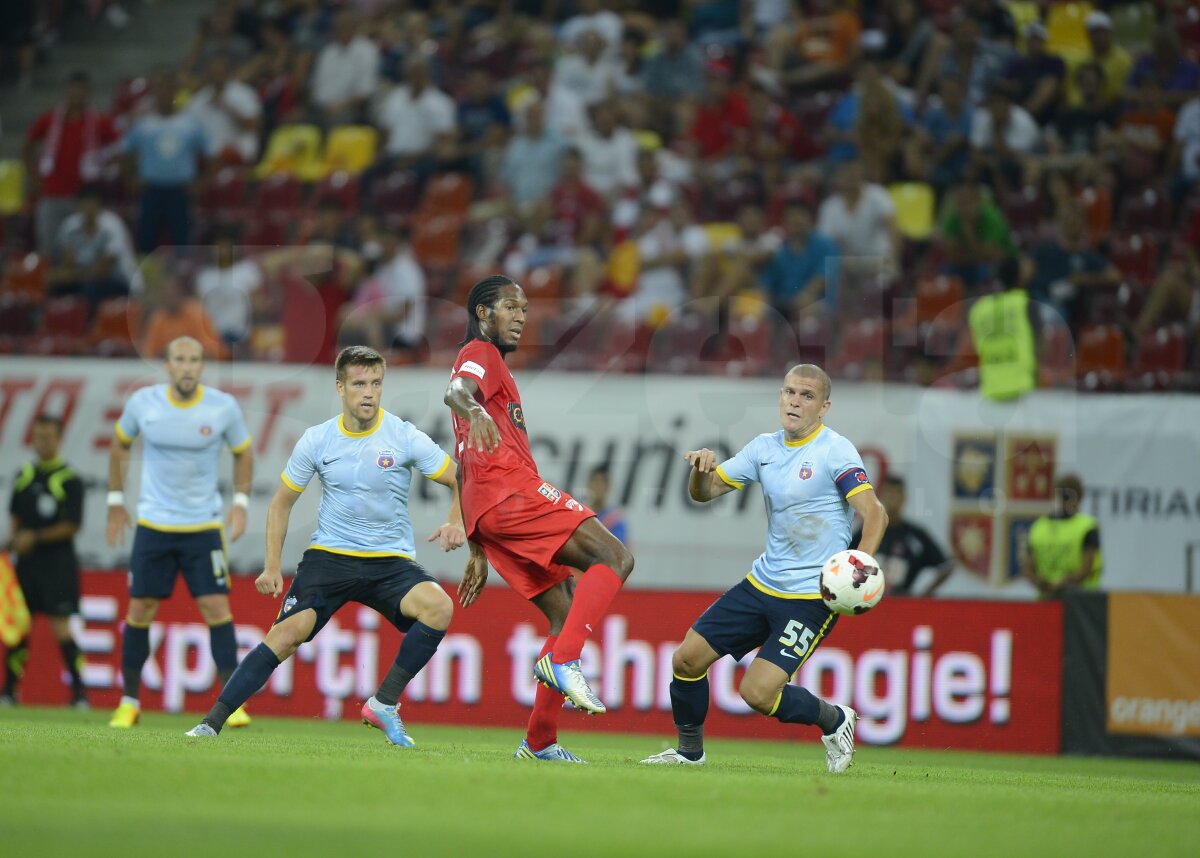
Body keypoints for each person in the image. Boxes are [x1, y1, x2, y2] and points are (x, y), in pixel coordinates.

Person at [186, 346, 465, 744]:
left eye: (376, 383)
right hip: (331, 557)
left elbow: (459, 478)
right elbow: (281, 503)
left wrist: (455, 520)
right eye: (359, 384)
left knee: (439, 607)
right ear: (340, 387)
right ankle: (209, 724)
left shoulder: (404, 435)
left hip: (390, 561)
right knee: (285, 636)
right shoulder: (317, 440)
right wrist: (270, 566)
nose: (368, 393)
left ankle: (385, 703)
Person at [639, 364, 887, 773]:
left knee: (757, 693)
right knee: (686, 660)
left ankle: (834, 719)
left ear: (824, 407)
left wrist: (860, 565)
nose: (794, 400)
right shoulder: (764, 449)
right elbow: (706, 494)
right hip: (761, 583)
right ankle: (688, 753)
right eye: (789, 392)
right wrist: (700, 473)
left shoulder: (835, 451)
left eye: (806, 396)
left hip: (811, 596)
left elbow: (874, 514)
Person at [444, 275, 635, 763]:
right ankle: (565, 659)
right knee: (614, 556)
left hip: (487, 510)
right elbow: (457, 393)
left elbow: (464, 456)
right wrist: (476, 409)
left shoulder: (493, 367)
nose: (521, 316)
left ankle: (539, 741)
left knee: (565, 610)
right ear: (483, 312)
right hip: (510, 492)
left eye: (525, 309)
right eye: (510, 306)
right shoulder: (479, 353)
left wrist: (476, 542)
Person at [106, 336, 254, 728]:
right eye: (179, 359)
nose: (187, 366)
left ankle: (233, 704)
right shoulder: (143, 404)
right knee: (140, 609)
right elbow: (119, 445)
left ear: (202, 366)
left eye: (194, 360)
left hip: (203, 526)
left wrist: (239, 505)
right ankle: (129, 702)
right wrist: (115, 500)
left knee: (216, 608)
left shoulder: (222, 407)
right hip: (154, 525)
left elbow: (243, 451)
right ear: (167, 365)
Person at [1, 415, 87, 708]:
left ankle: (79, 694)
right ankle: (9, 692)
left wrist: (34, 538)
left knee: (62, 627)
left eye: (48, 436)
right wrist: (15, 541)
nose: (43, 442)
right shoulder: (24, 475)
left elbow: (73, 525)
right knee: (18, 626)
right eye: (38, 436)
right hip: (26, 564)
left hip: (57, 564)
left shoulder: (69, 479)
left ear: (59, 439)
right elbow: (15, 514)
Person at [850, 474, 953, 596]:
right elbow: (847, 560)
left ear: (904, 497)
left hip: (902, 604)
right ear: (880, 496)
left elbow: (945, 566)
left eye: (896, 494)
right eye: (888, 494)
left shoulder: (916, 536)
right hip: (869, 600)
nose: (892, 499)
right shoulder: (868, 531)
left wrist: (926, 595)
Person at [1022, 474, 1102, 599]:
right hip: (1080, 603)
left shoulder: (1039, 527)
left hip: (1046, 600)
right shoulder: (1087, 527)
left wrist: (1043, 583)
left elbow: (1027, 569)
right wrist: (1064, 582)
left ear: (1057, 495)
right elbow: (1087, 568)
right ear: (1080, 496)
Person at [585, 465, 628, 546]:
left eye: (602, 482)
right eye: (595, 481)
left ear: (608, 487)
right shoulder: (581, 514)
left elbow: (618, 551)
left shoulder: (616, 521)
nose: (598, 487)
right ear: (588, 485)